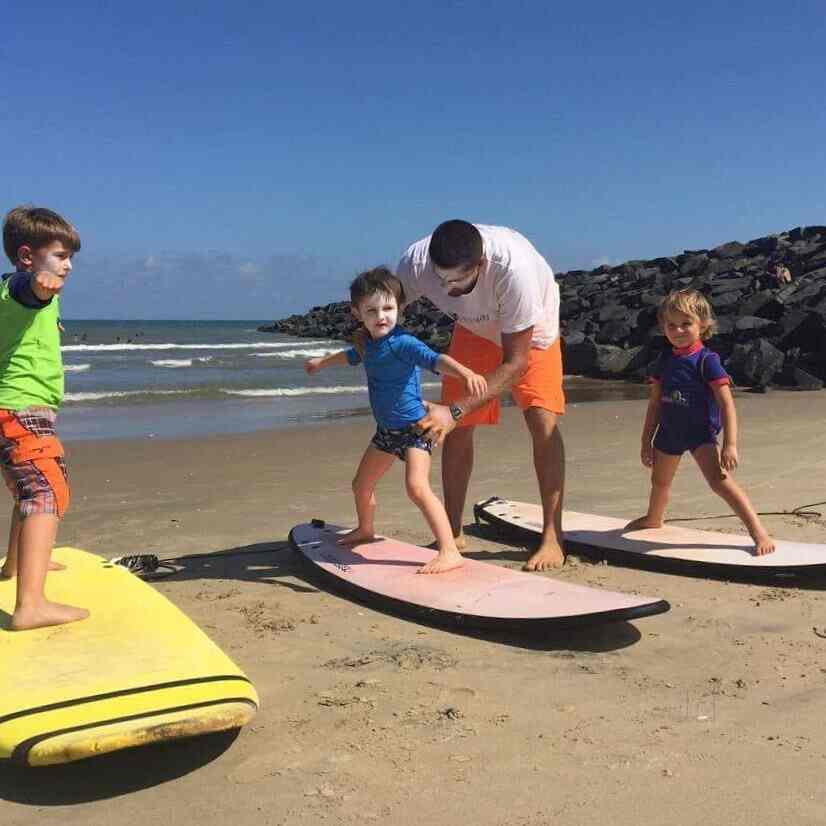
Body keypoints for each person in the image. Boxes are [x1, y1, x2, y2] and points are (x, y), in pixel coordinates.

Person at [396, 220, 566, 570]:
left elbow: (516, 364)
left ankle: (553, 537)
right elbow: (387, 311)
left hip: (532, 332)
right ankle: (452, 532)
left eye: (458, 281)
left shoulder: (514, 271)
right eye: (441, 280)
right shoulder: (415, 262)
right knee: (457, 429)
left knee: (541, 418)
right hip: (474, 328)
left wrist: (453, 410)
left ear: (481, 264)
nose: (448, 290)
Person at [305, 266, 487, 574]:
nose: (381, 316)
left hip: (416, 429)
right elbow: (349, 356)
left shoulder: (403, 343)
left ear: (399, 308)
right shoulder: (367, 344)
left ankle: (450, 550)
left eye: (388, 308)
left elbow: (435, 360)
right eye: (372, 310)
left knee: (417, 488)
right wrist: (322, 362)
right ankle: (365, 529)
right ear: (357, 313)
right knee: (361, 485)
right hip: (386, 432)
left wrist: (465, 373)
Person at [625, 289, 775, 555]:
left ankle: (758, 531)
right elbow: (655, 403)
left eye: (686, 323)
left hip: (700, 434)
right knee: (659, 482)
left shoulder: (707, 361)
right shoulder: (664, 360)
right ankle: (654, 518)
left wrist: (730, 444)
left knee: (719, 482)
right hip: (668, 432)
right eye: (671, 325)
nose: (678, 330)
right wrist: (645, 440)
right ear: (663, 327)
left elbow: (727, 404)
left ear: (703, 325)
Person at [1, 206, 89, 629]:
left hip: (13, 413)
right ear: (26, 256)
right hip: (20, 411)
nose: (68, 266)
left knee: (29, 490)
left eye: (70, 257)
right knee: (47, 490)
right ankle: (30, 605)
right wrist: (38, 284)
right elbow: (25, 289)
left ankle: (16, 565)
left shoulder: (24, 297)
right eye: (60, 256)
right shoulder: (21, 289)